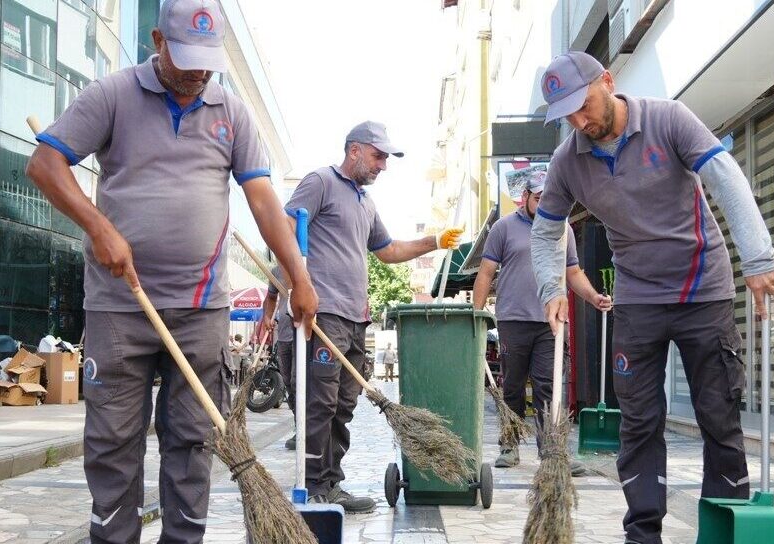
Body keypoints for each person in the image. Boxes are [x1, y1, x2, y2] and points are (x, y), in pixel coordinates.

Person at [25, 0, 317, 544]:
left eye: (207, 66)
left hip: (199, 306)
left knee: (191, 437)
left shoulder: (230, 111)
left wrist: (299, 274)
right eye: (186, 61)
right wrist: (99, 227)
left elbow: (264, 202)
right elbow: (46, 164)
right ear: (157, 40)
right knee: (112, 438)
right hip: (118, 304)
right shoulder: (111, 95)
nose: (197, 76)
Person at [529, 52, 774, 544]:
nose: (578, 122)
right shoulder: (567, 162)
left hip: (701, 290)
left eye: (583, 106)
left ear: (608, 83)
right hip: (638, 299)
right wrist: (552, 286)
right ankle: (644, 540)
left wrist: (758, 259)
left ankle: (726, 537)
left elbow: (726, 177)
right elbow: (547, 229)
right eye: (565, 115)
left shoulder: (668, 119)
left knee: (718, 415)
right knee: (639, 421)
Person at [285, 121, 462, 513]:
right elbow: (285, 229)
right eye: (379, 155)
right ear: (354, 151)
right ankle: (313, 484)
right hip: (323, 311)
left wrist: (434, 241)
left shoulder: (365, 202)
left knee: (344, 403)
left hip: (354, 318)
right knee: (320, 402)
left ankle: (330, 483)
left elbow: (388, 250)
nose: (383, 165)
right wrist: (294, 289)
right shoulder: (320, 182)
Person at [473, 170, 611, 476]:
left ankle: (553, 452)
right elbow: (485, 273)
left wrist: (592, 297)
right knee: (512, 386)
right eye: (539, 198)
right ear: (525, 197)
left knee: (550, 386)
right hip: (513, 318)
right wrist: (476, 317)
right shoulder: (503, 228)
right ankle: (509, 446)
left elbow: (573, 272)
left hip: (552, 321)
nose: (546, 203)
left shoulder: (564, 230)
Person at [260, 267, 299, 449]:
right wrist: (267, 316)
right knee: (289, 384)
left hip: (304, 334)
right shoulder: (275, 272)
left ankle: (309, 429)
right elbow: (271, 297)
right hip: (283, 335)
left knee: (299, 382)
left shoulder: (309, 262)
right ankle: (300, 425)